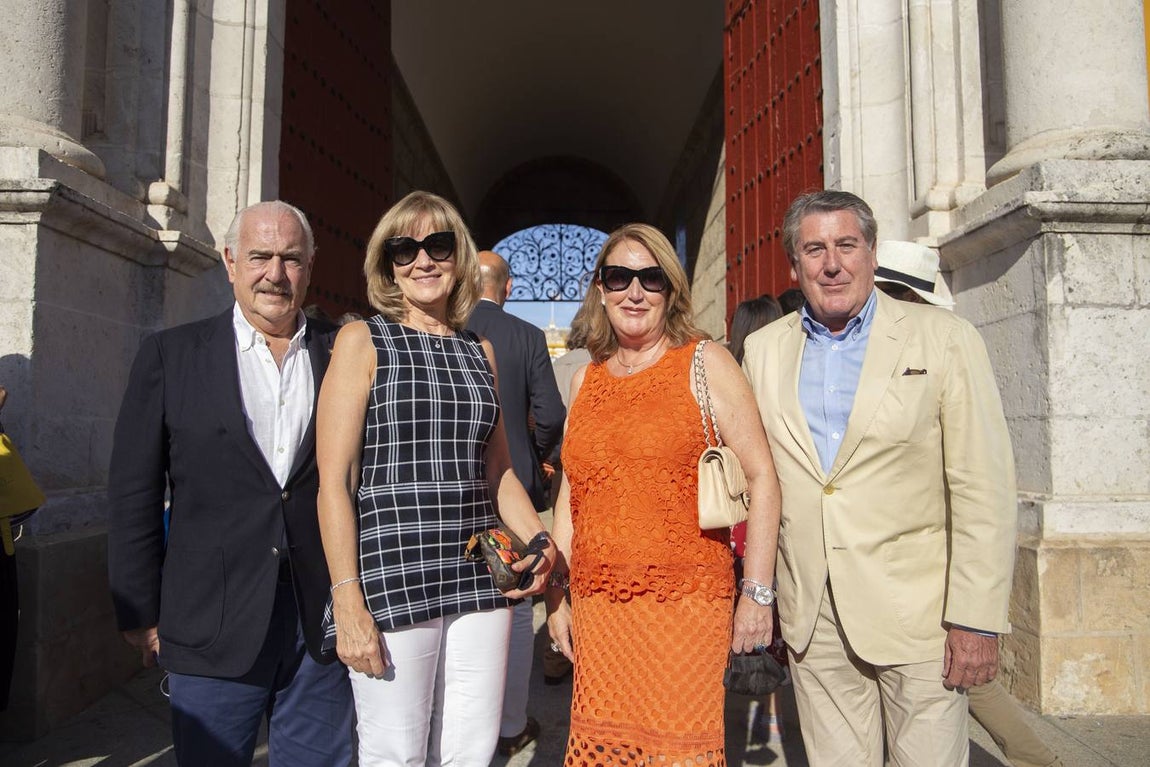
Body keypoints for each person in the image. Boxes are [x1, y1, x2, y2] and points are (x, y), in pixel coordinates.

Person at [742, 190, 1018, 766]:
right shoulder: (763, 350)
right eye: (814, 249)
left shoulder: (944, 339)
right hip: (814, 618)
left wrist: (976, 619)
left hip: (921, 618)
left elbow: (982, 489)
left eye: (847, 245)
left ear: (871, 252)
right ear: (795, 265)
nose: (832, 263)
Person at [107, 200, 354, 766]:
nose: (275, 273)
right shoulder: (170, 356)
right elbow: (133, 493)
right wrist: (138, 610)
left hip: (320, 623)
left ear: (311, 265)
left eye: (291, 258)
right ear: (229, 262)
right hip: (210, 622)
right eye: (260, 256)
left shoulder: (343, 351)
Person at [315, 190, 557, 766]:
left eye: (438, 245)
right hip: (391, 574)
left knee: (470, 751)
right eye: (405, 248)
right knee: (395, 753)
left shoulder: (482, 352)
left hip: (477, 575)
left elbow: (497, 472)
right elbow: (333, 483)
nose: (423, 260)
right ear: (388, 263)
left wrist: (542, 542)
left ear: (460, 256)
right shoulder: (362, 341)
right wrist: (347, 599)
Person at [546, 223, 782, 764]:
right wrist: (557, 591)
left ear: (670, 290)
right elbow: (572, 496)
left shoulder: (704, 363)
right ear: (600, 290)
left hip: (685, 607)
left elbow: (764, 477)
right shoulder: (587, 380)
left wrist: (758, 594)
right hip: (600, 609)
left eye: (650, 278)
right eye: (619, 277)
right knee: (607, 750)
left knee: (677, 751)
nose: (635, 292)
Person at [875, 240, 1064, 767]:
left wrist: (972, 607)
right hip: (901, 568)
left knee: (957, 681)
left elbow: (977, 481)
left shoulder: (948, 347)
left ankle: (1039, 759)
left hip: (937, 561)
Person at [466, 249, 566, 756]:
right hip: (514, 490)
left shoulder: (447, 328)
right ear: (507, 287)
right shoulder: (526, 336)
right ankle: (509, 724)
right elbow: (550, 414)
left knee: (462, 609)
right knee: (517, 601)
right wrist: (539, 456)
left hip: (457, 493)